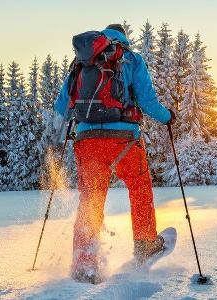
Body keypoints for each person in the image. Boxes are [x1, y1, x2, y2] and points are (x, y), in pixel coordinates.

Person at [54, 23, 175, 284]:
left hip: (87, 142)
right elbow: (147, 101)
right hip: (124, 140)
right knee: (139, 186)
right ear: (124, 38)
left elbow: (62, 106)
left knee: (91, 200)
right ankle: (145, 243)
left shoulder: (82, 62)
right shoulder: (130, 59)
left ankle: (85, 264)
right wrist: (167, 117)